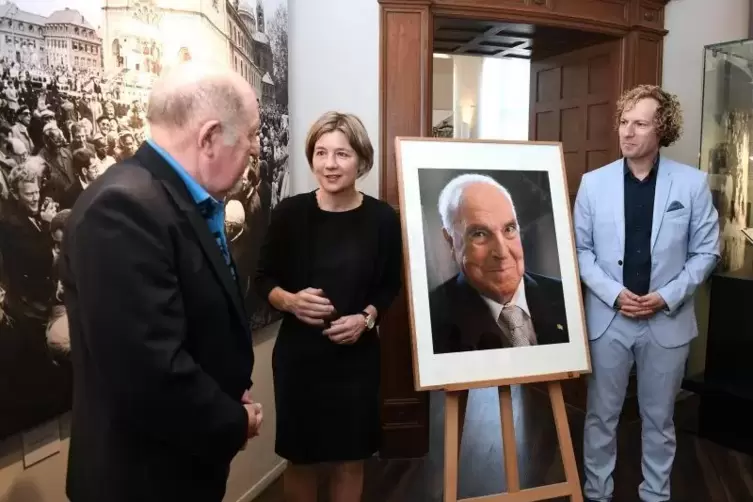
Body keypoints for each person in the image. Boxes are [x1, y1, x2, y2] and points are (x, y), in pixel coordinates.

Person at [60, 62, 264, 502]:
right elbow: (150, 370)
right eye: (250, 135)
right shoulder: (122, 210)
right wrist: (234, 420)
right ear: (209, 138)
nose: (254, 149)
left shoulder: (175, 200)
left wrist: (230, 386)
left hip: (181, 465)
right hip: (142, 479)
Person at [573, 84, 720, 502]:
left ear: (662, 129)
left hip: (667, 321)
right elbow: (579, 251)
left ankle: (655, 495)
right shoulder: (592, 183)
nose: (628, 132)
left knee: (659, 419)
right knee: (601, 416)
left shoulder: (691, 184)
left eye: (640, 123)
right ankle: (596, 494)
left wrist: (668, 296)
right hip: (609, 318)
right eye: (624, 121)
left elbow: (707, 251)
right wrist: (615, 293)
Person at [255, 111, 402, 502]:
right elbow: (263, 279)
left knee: (350, 460)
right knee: (300, 459)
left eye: (342, 154)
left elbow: (390, 285)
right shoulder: (289, 214)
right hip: (299, 360)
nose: (330, 164)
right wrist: (290, 301)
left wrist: (367, 319)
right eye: (321, 153)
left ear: (362, 161)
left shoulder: (383, 220)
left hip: (356, 361)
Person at [430, 173, 569, 354]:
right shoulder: (433, 317)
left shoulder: (563, 297)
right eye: (480, 233)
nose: (502, 252)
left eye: (509, 229)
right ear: (450, 242)